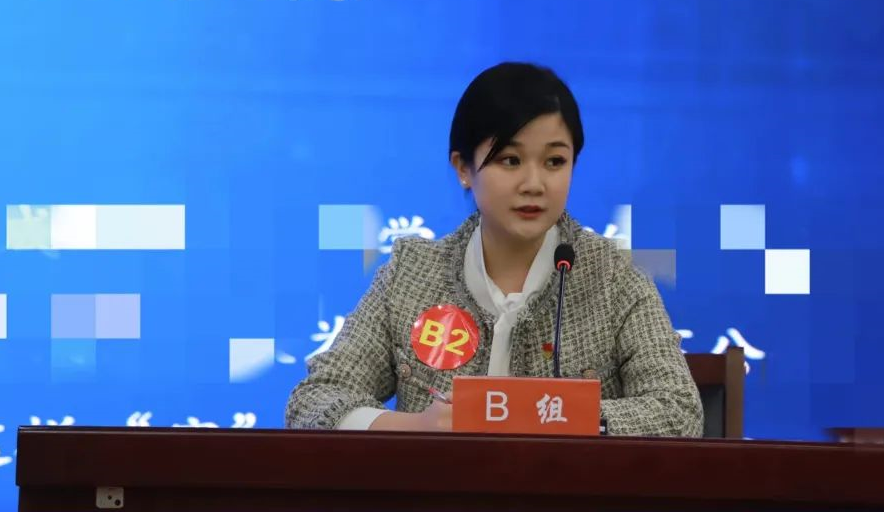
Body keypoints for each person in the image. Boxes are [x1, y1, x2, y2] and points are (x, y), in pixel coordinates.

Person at [286, 62, 703, 436]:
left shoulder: (614, 276)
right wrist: (417, 428)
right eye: (510, 160)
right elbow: (314, 401)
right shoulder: (411, 274)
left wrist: (556, 417)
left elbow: (679, 411)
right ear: (463, 168)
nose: (534, 184)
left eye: (554, 162)